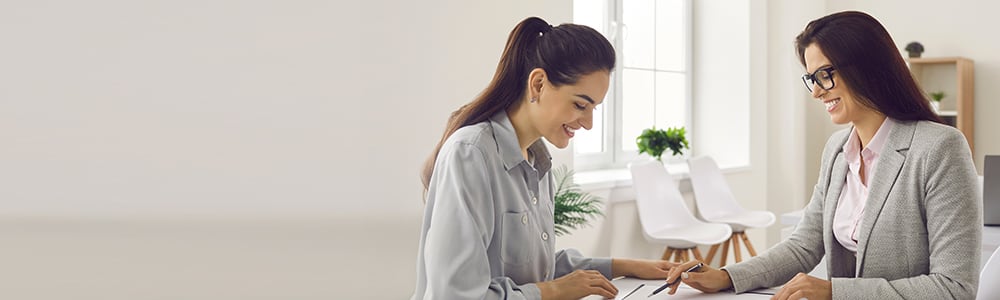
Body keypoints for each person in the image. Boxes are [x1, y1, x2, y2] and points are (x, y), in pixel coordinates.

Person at [663, 11, 982, 300]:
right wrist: (726, 276)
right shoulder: (837, 151)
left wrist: (835, 292)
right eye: (811, 79)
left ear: (867, 67)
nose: (816, 91)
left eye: (825, 75)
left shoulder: (940, 148)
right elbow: (803, 245)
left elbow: (954, 288)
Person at [412, 17, 678, 300]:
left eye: (593, 109)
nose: (588, 123)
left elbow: (537, 271)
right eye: (580, 105)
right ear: (538, 84)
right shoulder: (470, 154)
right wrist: (553, 291)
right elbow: (453, 294)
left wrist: (632, 267)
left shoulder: (538, 162)